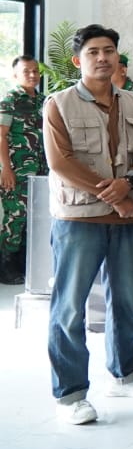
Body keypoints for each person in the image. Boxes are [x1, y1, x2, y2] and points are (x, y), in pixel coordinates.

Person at [44, 24, 133, 425]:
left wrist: (130, 184)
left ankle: (125, 374)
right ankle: (70, 395)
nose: (102, 58)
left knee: (125, 301)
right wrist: (115, 195)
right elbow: (60, 162)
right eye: (93, 52)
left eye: (109, 50)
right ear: (78, 60)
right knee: (69, 307)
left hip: (129, 219)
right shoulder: (58, 104)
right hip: (79, 220)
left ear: (117, 57)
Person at [0, 55, 46, 284]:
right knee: (15, 218)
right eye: (26, 71)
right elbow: (1, 136)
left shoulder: (44, 101)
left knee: (36, 219)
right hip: (16, 171)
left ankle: (26, 266)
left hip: (41, 172)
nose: (32, 75)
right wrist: (5, 169)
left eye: (35, 71)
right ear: (15, 75)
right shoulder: (10, 100)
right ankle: (6, 267)